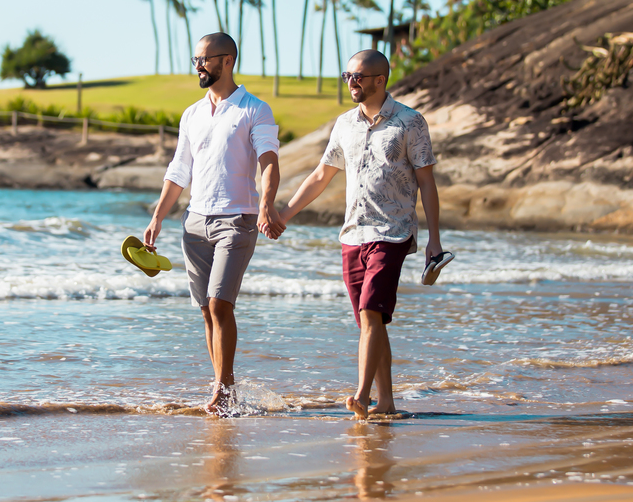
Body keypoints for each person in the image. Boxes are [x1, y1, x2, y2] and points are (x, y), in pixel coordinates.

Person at [279, 49, 444, 419]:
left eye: (359, 77)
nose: (351, 82)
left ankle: (362, 396)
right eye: (347, 76)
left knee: (371, 312)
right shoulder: (344, 124)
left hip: (393, 232)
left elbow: (427, 183)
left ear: (380, 80)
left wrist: (434, 239)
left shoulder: (409, 122)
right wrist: (286, 213)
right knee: (373, 322)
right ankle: (387, 403)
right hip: (352, 234)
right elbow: (322, 174)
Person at [143, 32, 286, 413]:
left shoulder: (255, 109)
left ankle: (223, 390)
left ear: (228, 61)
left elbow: (268, 162)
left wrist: (268, 204)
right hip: (194, 223)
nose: (198, 67)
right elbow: (179, 169)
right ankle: (223, 387)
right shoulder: (191, 113)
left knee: (220, 304)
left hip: (237, 220)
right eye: (195, 60)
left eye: (204, 59)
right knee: (206, 310)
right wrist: (158, 216)